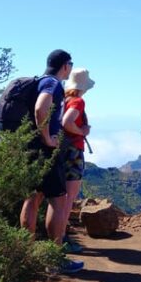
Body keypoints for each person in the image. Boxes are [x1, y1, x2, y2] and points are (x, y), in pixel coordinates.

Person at [19, 49, 83, 274]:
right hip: (45, 150)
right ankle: (53, 259)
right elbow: (41, 108)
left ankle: (25, 255)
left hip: (29, 149)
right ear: (65, 66)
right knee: (57, 200)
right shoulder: (53, 84)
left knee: (32, 198)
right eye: (71, 64)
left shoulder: (37, 82)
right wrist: (47, 137)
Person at [59, 67, 95, 254]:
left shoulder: (62, 99)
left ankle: (57, 237)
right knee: (68, 198)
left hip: (59, 150)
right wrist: (82, 132)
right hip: (73, 152)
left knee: (59, 198)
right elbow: (67, 122)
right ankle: (62, 239)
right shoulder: (78, 101)